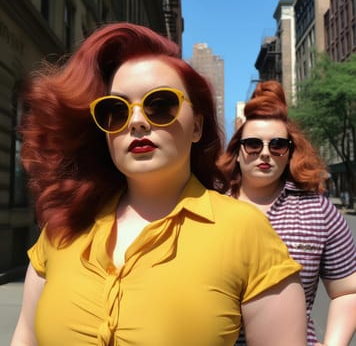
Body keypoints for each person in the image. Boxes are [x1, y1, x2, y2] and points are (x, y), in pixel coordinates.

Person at [11, 24, 306, 346]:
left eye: (160, 105)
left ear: (197, 126)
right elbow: (24, 336)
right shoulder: (62, 229)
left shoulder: (245, 231)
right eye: (116, 110)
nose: (137, 121)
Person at [218, 80, 356, 346]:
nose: (266, 153)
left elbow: (347, 291)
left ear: (290, 151)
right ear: (236, 152)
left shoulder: (318, 210)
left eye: (278, 145)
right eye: (253, 144)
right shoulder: (208, 205)